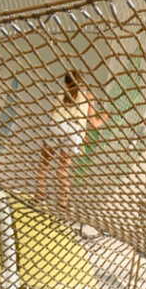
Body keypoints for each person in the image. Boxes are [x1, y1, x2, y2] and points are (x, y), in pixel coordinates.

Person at [36, 70, 107, 210]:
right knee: (63, 168)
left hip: (57, 126)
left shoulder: (62, 93)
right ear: (83, 84)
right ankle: (63, 203)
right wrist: (104, 118)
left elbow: (57, 112)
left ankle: (40, 197)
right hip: (74, 133)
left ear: (66, 84)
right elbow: (93, 123)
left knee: (44, 163)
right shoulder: (88, 96)